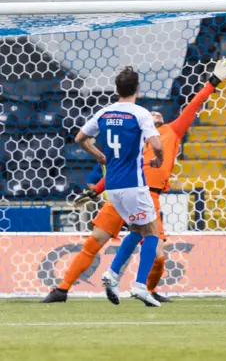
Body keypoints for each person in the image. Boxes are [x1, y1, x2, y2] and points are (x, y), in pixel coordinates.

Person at [41, 58, 226, 305]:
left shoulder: (171, 131)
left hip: (145, 193)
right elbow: (117, 165)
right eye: (151, 110)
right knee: (94, 242)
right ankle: (62, 289)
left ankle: (146, 288)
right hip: (128, 190)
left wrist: (213, 82)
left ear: (162, 120)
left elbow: (193, 106)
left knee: (157, 255)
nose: (154, 112)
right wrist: (96, 191)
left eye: (158, 111)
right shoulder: (136, 130)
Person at [73, 66, 164, 306]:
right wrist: (159, 158)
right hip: (133, 184)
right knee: (152, 232)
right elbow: (157, 144)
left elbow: (80, 138)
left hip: (112, 186)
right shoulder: (140, 113)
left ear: (116, 90)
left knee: (136, 229)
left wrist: (99, 156)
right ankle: (141, 286)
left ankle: (112, 273)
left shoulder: (104, 112)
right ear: (137, 89)